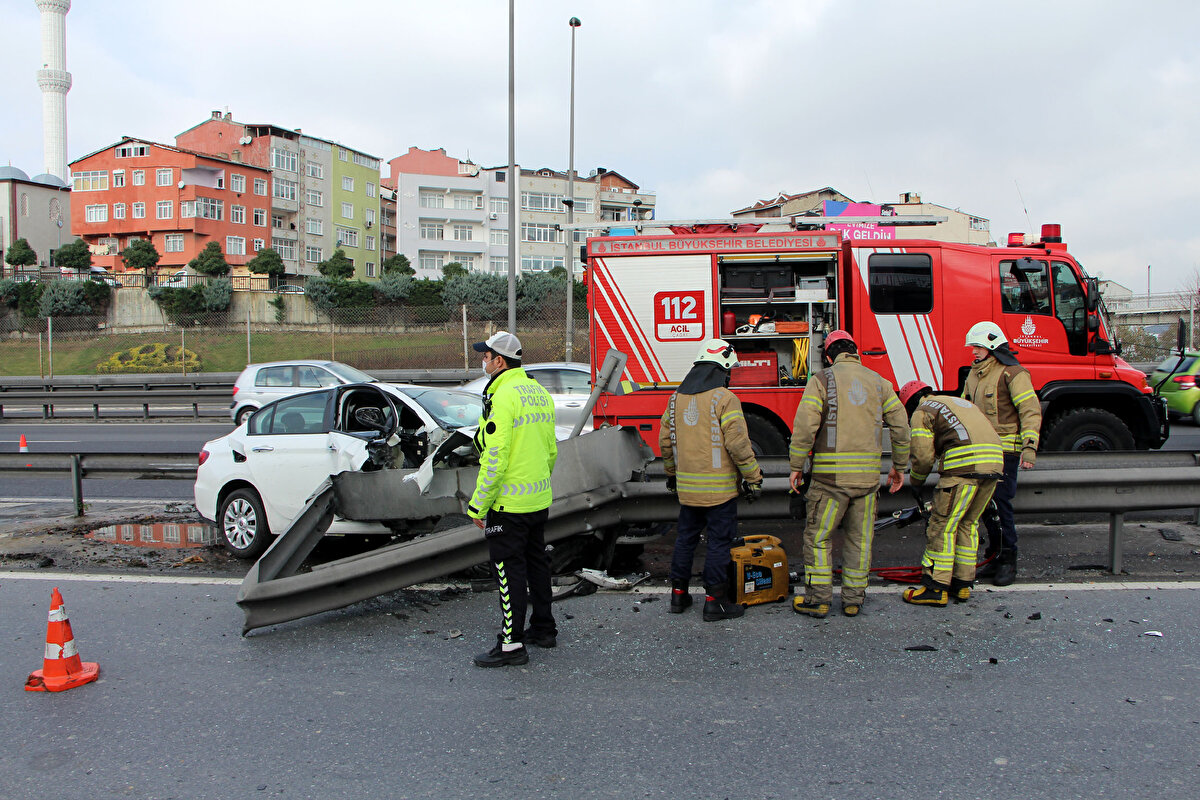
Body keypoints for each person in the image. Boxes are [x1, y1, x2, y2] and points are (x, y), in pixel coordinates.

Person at [788, 330, 910, 618]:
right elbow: (901, 427)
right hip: (867, 482)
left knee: (818, 538)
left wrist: (796, 465)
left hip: (830, 482)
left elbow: (805, 426)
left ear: (829, 357)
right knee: (860, 541)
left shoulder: (822, 380)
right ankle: (853, 600)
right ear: (855, 352)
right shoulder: (880, 383)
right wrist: (899, 466)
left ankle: (818, 599)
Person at [467, 331, 559, 668]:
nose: (483, 361)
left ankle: (511, 645)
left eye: (486, 356)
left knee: (508, 573)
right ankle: (544, 629)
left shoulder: (502, 396)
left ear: (499, 361)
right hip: (537, 499)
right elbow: (551, 450)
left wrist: (478, 505)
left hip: (508, 505)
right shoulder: (538, 392)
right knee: (537, 565)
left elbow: (495, 458)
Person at [660, 338, 763, 622]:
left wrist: (671, 475)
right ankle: (715, 602)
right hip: (720, 492)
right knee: (719, 543)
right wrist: (753, 477)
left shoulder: (675, 399)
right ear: (722, 369)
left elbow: (665, 442)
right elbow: (738, 444)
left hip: (687, 491)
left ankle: (678, 595)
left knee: (685, 540)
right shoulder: (725, 398)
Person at [898, 380, 1004, 606]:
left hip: (963, 469)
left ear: (910, 404)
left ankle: (935, 588)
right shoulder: (956, 402)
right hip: (994, 465)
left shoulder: (922, 411)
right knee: (968, 523)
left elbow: (923, 457)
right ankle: (962, 584)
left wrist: (916, 481)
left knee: (942, 526)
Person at [962, 321, 1043, 587]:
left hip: (1006, 452)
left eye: (978, 346)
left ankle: (1009, 560)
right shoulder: (974, 375)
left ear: (992, 346)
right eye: (973, 346)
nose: (973, 351)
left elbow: (1030, 411)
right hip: (980, 451)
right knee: (985, 507)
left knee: (1001, 505)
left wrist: (1029, 448)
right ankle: (995, 557)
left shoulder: (1013, 373)